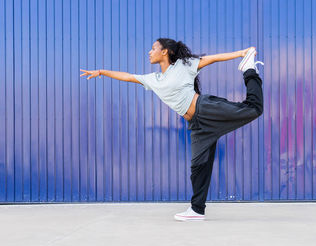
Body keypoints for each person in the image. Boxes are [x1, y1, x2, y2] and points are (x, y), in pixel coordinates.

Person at [80, 38, 264, 222]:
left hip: (205, 108)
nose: (149, 52)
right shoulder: (154, 79)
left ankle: (249, 69)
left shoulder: (184, 66)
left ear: (165, 51)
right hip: (198, 126)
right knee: (199, 168)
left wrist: (242, 54)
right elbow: (128, 76)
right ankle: (197, 210)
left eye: (153, 48)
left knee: (253, 109)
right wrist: (101, 72)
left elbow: (214, 58)